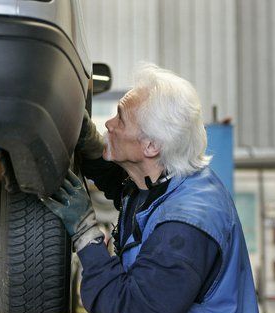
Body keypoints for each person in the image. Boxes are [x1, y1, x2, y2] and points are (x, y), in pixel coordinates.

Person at [42, 63, 259, 313]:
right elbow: (128, 191)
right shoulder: (167, 182)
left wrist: (86, 235)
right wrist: (92, 146)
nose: (109, 124)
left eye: (121, 119)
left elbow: (128, 306)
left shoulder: (185, 228)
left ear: (151, 146)